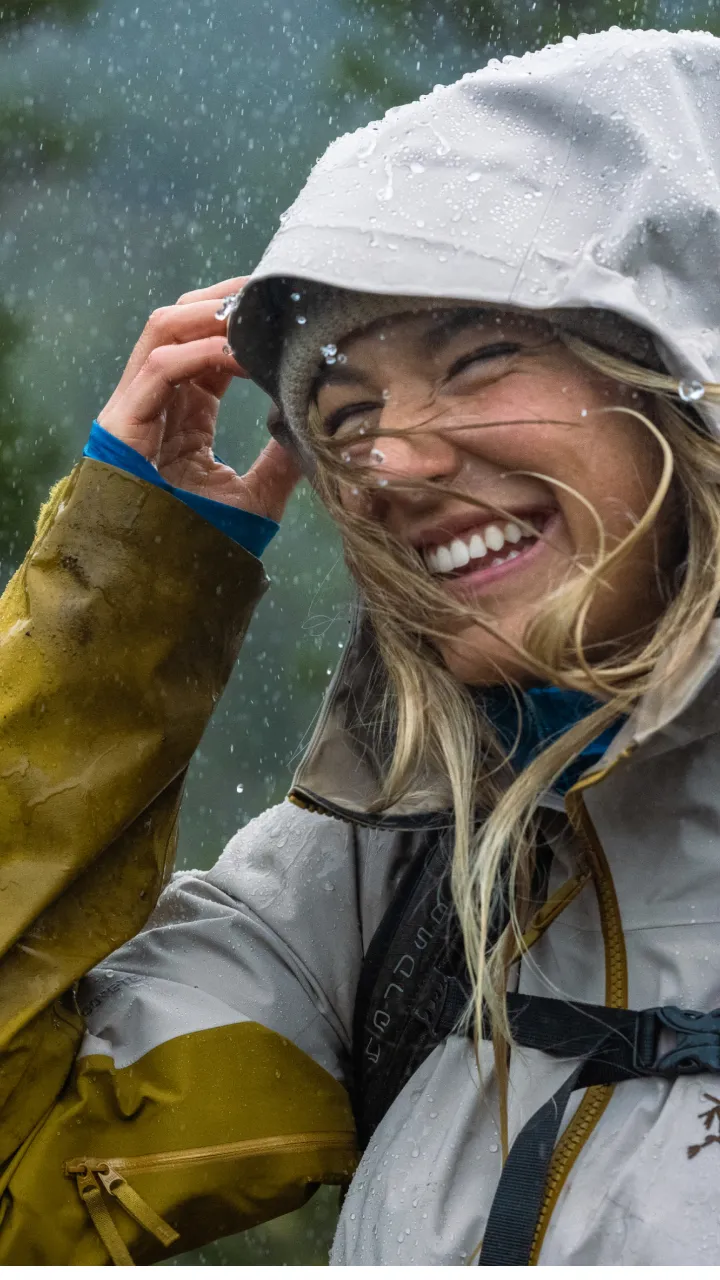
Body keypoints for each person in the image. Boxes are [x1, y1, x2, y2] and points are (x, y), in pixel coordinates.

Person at [2, 24, 720, 1266]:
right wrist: (127, 586)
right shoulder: (381, 891)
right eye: (345, 414)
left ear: (681, 359)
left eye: (480, 354)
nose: (389, 459)